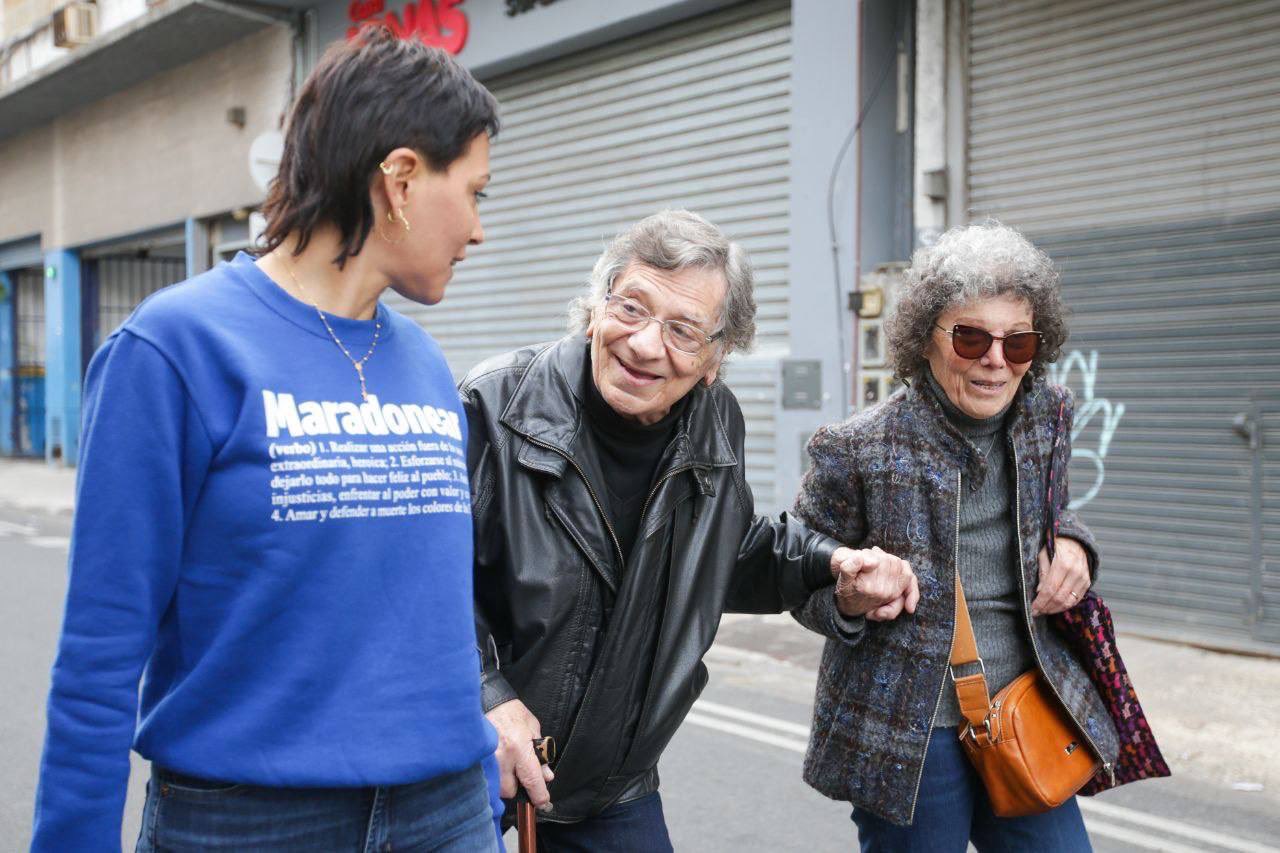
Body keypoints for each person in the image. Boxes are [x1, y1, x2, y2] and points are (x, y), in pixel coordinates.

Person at [32, 27, 503, 852]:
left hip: (447, 810)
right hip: (249, 823)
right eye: (474, 193)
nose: (478, 230)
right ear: (398, 179)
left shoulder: (426, 363)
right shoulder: (175, 351)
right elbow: (100, 654)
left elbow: (423, 602)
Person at [459, 209, 920, 850]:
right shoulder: (496, 403)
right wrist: (485, 696)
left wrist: (828, 562)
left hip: (610, 778)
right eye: (630, 309)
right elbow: (421, 578)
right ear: (596, 308)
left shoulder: (713, 420)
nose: (646, 345)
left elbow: (721, 554)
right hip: (477, 754)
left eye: (682, 330)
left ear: (716, 358)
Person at [790, 221, 1120, 851]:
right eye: (971, 337)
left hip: (1026, 709)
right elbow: (798, 573)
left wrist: (1076, 546)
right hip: (908, 733)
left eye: (1017, 342)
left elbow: (1054, 513)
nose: (996, 360)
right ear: (927, 340)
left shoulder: (1047, 416)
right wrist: (848, 597)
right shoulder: (857, 447)